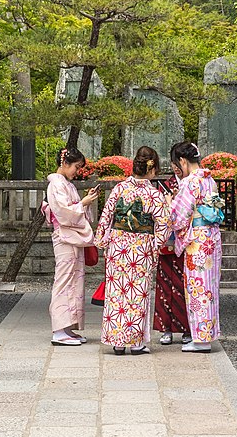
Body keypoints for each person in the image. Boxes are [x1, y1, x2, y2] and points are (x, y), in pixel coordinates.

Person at [94, 145, 170, 355]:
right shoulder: (154, 194)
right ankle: (136, 343)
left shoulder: (119, 189)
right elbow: (163, 226)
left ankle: (118, 343)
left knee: (117, 293)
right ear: (152, 169)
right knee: (138, 294)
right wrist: (156, 245)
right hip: (141, 249)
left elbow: (106, 216)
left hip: (119, 246)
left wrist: (102, 241)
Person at [167, 140, 223, 352]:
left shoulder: (191, 182)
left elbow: (179, 216)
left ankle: (201, 340)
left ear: (182, 160)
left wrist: (168, 205)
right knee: (209, 288)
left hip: (197, 241)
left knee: (197, 287)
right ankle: (207, 334)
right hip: (212, 237)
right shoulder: (209, 180)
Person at [45, 148, 100, 346]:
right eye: (76, 167)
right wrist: (82, 204)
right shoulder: (55, 185)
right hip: (65, 237)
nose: (77, 171)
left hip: (73, 237)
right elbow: (62, 212)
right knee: (64, 280)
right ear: (65, 163)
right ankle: (59, 330)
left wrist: (85, 202)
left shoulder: (66, 185)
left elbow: (73, 209)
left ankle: (67, 327)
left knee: (75, 281)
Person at [153, 159, 191, 346]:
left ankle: (187, 328)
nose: (177, 166)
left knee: (184, 285)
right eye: (174, 162)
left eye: (179, 162)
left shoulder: (192, 183)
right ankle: (165, 328)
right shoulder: (166, 185)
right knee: (165, 284)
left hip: (187, 241)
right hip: (168, 241)